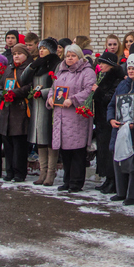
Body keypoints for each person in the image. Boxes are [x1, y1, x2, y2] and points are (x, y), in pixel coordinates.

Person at [48, 44, 96, 192]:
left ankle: (76, 182)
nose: (69, 58)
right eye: (67, 55)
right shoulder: (61, 71)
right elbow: (53, 88)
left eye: (73, 55)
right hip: (61, 117)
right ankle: (67, 180)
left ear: (79, 56)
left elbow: (89, 90)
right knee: (65, 151)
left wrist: (73, 100)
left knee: (76, 151)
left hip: (76, 117)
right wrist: (50, 98)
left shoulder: (86, 72)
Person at [107, 53, 134, 203]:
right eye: (129, 68)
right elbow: (112, 105)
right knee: (118, 159)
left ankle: (132, 195)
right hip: (119, 129)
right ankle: (121, 191)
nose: (130, 71)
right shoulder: (122, 85)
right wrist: (111, 119)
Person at [20, 37, 60, 185]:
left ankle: (50, 173)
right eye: (40, 48)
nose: (41, 50)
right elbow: (23, 79)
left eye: (45, 48)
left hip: (49, 106)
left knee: (49, 140)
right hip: (36, 107)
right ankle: (42, 172)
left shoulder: (56, 64)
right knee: (40, 141)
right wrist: (32, 65)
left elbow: (58, 86)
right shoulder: (37, 64)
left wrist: (44, 93)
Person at [0, 43, 33, 182]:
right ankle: (9, 171)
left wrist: (14, 93)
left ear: (25, 55)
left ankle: (19, 172)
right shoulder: (9, 68)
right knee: (8, 144)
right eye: (14, 54)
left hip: (20, 110)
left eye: (19, 54)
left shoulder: (28, 69)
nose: (16, 56)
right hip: (7, 110)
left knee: (19, 145)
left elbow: (29, 87)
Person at [92, 51, 123, 193]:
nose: (100, 65)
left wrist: (97, 91)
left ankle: (112, 180)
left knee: (110, 152)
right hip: (102, 121)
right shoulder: (104, 77)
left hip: (109, 121)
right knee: (103, 151)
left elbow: (110, 99)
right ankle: (107, 179)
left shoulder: (116, 78)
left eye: (103, 63)